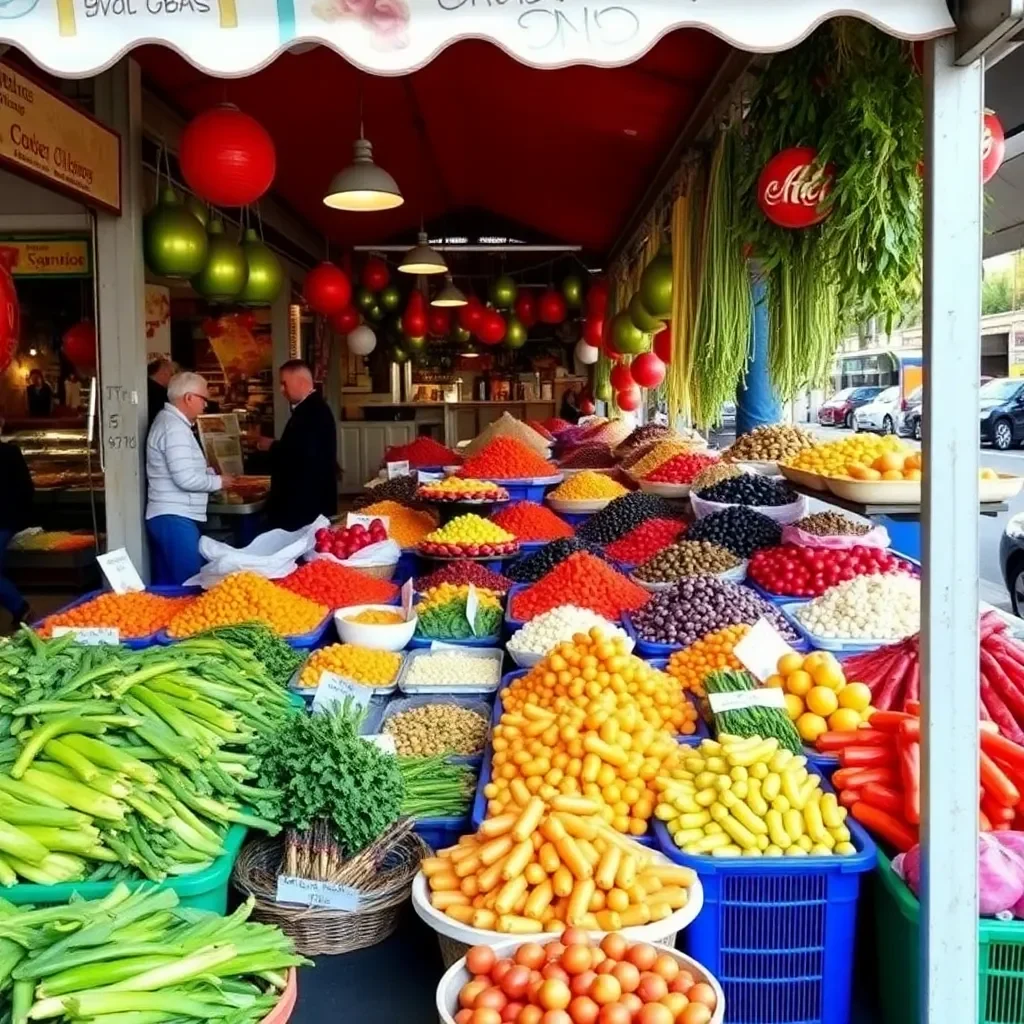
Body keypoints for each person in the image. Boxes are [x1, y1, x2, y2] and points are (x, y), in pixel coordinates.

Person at [145, 372, 235, 585]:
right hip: (174, 517)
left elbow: (183, 470)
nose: (206, 405)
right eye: (203, 399)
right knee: (189, 584)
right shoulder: (174, 428)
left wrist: (208, 474)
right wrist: (219, 482)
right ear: (188, 398)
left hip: (169, 515)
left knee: (168, 588)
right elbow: (184, 479)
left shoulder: (172, 423)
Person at [257, 360, 337, 531]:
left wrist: (272, 446)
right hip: (306, 501)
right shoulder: (310, 408)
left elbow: (302, 455)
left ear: (300, 382)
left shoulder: (313, 411)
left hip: (305, 504)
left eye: (284, 383)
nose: (281, 389)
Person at [0, 422, 34, 626]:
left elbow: (25, 489)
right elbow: (27, 489)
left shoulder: (9, 453)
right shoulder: (11, 452)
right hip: (7, 520)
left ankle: (20, 607)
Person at [147, 357, 173, 427]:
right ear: (163, 373)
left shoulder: (142, 388)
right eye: (171, 374)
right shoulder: (162, 394)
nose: (172, 378)